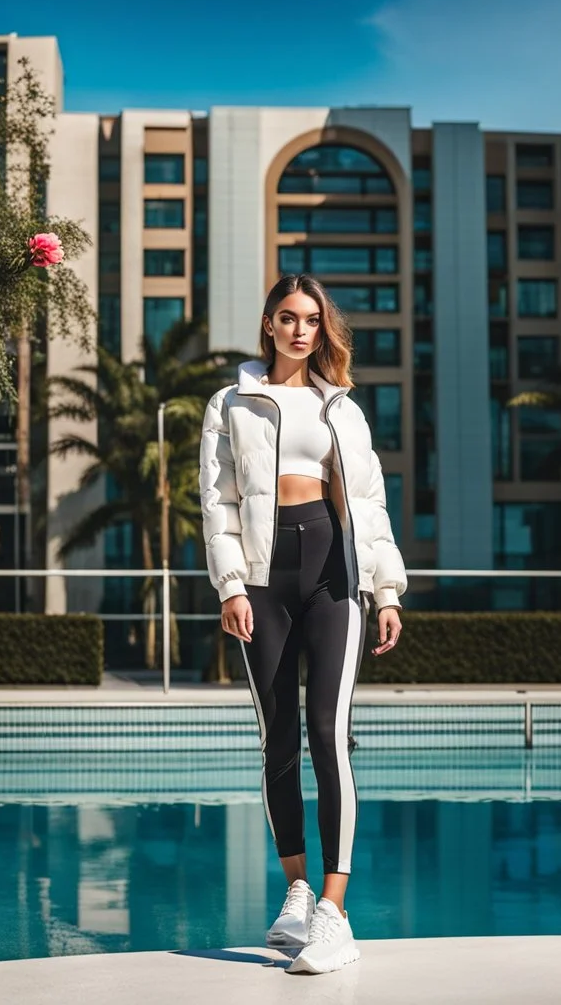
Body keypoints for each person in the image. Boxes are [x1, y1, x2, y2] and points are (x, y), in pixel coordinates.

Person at [199, 273, 407, 974]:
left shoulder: (341, 409)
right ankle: (294, 889)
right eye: (288, 317)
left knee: (328, 733)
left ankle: (335, 910)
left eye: (311, 320)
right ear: (268, 323)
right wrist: (231, 585)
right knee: (276, 737)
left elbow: (370, 506)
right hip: (262, 581)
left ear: (323, 330)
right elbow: (217, 503)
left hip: (332, 575)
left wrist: (387, 590)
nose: (299, 330)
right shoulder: (229, 402)